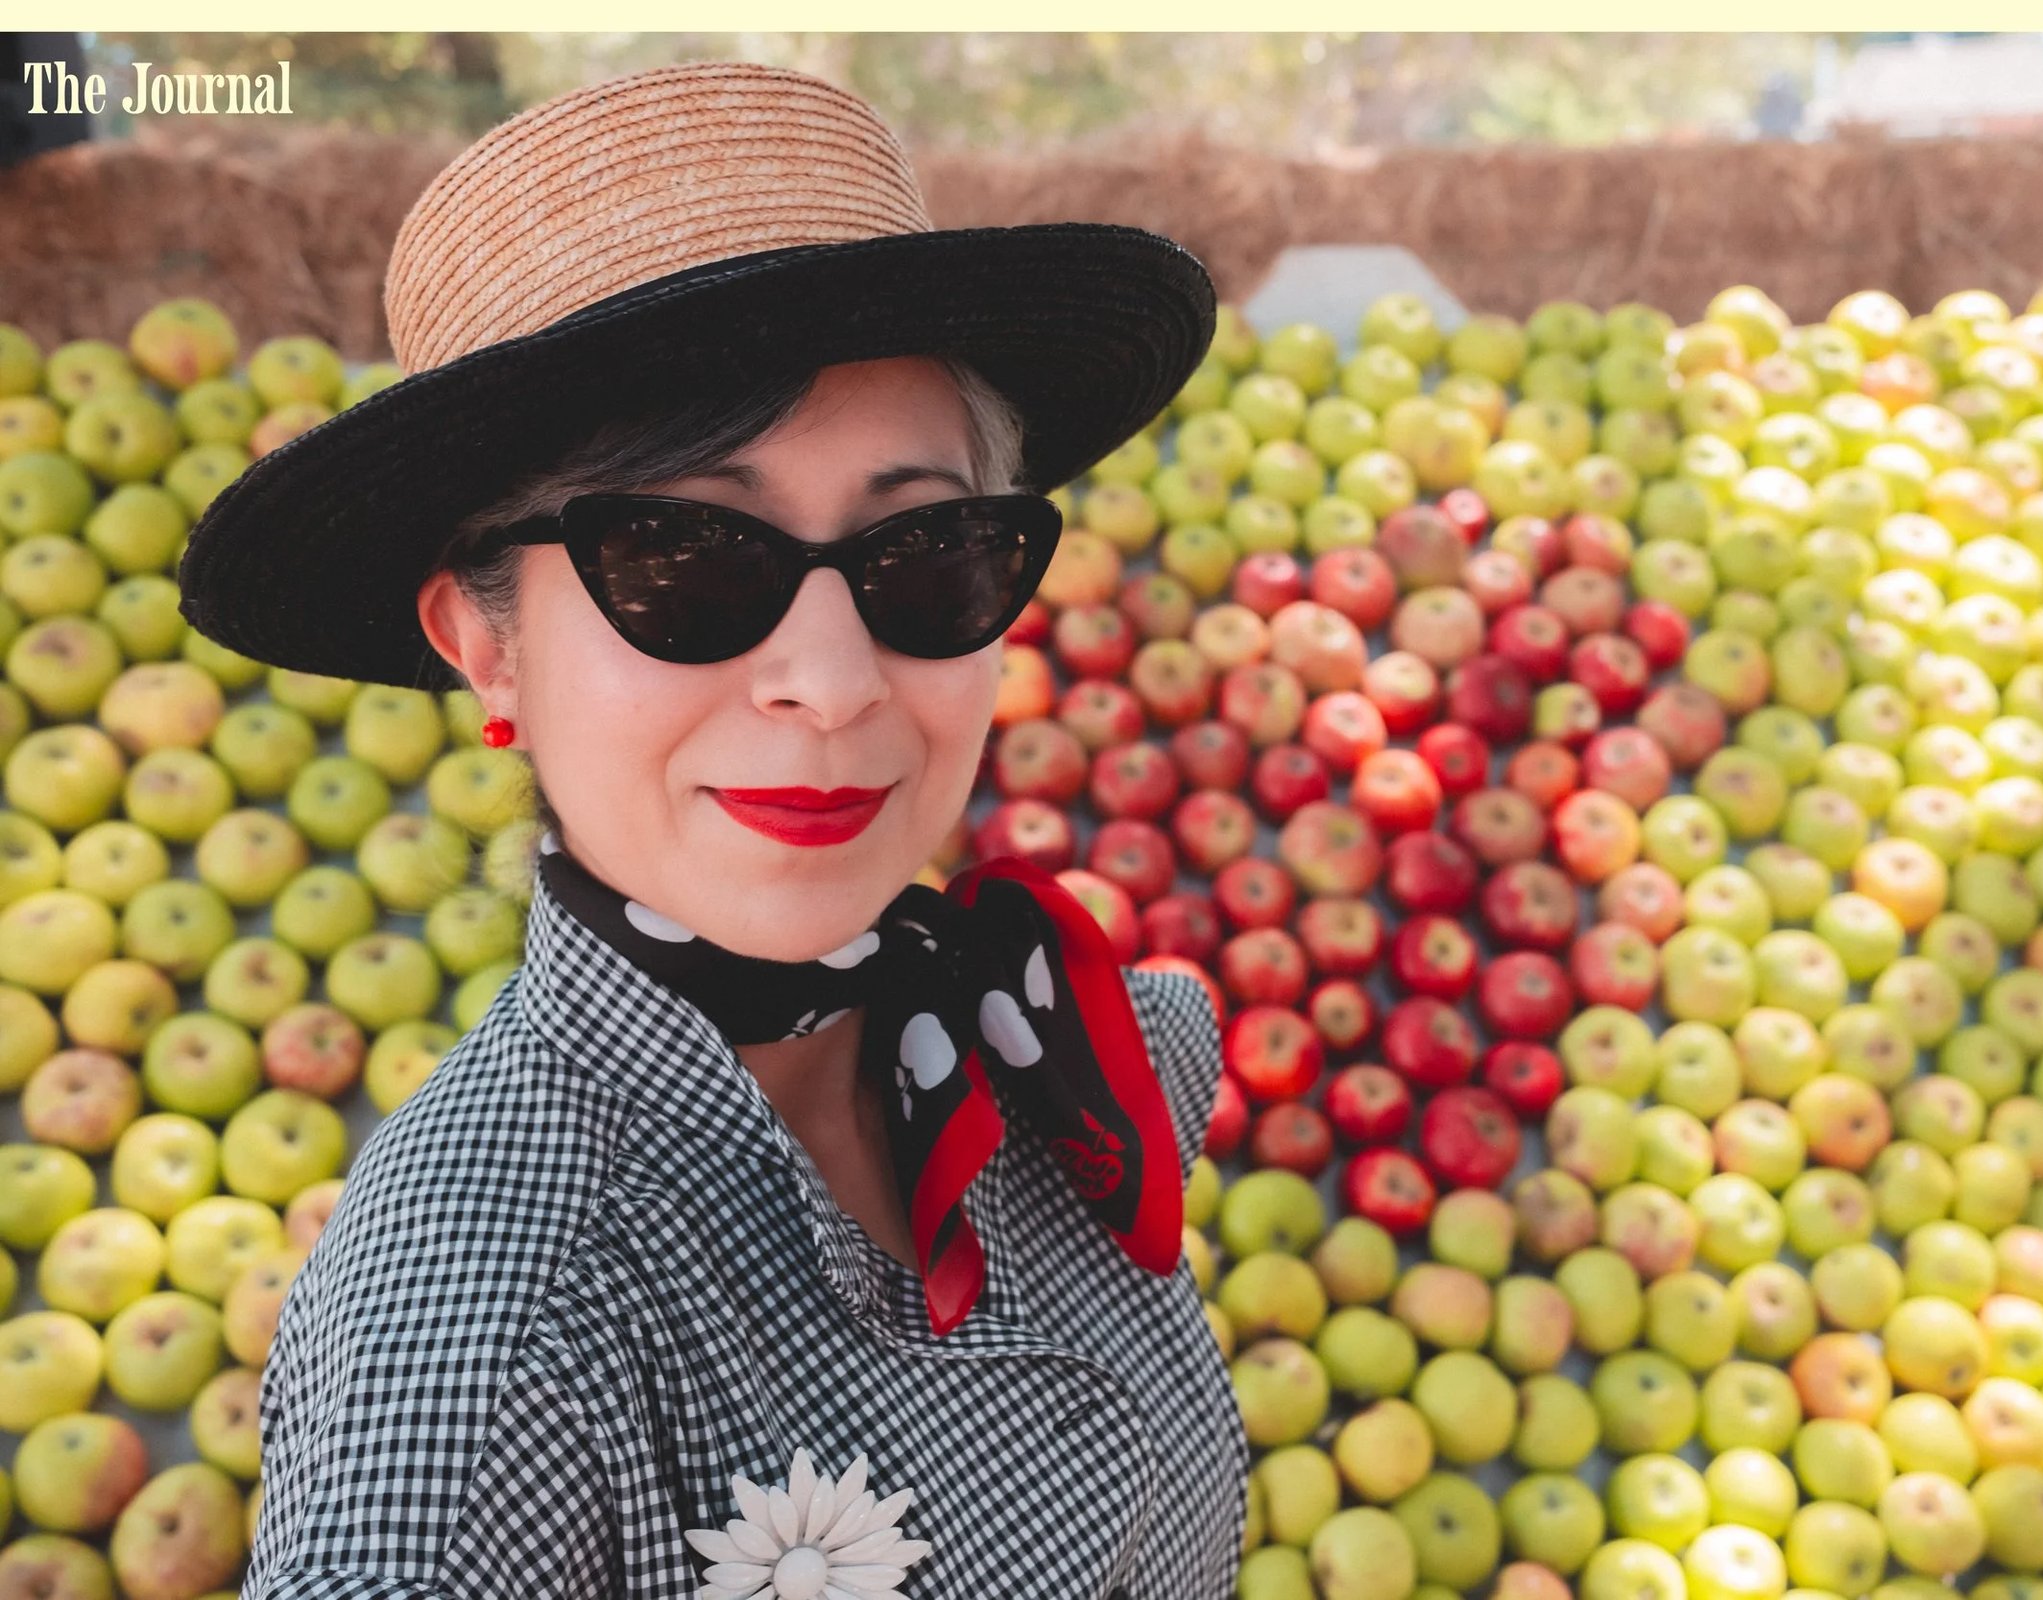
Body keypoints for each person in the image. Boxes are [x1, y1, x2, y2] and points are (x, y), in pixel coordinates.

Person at [175, 59, 1246, 1600]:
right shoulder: (487, 1356)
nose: (828, 681)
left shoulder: (1055, 1068)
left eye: (927, 549)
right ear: (486, 648)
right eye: (679, 556)